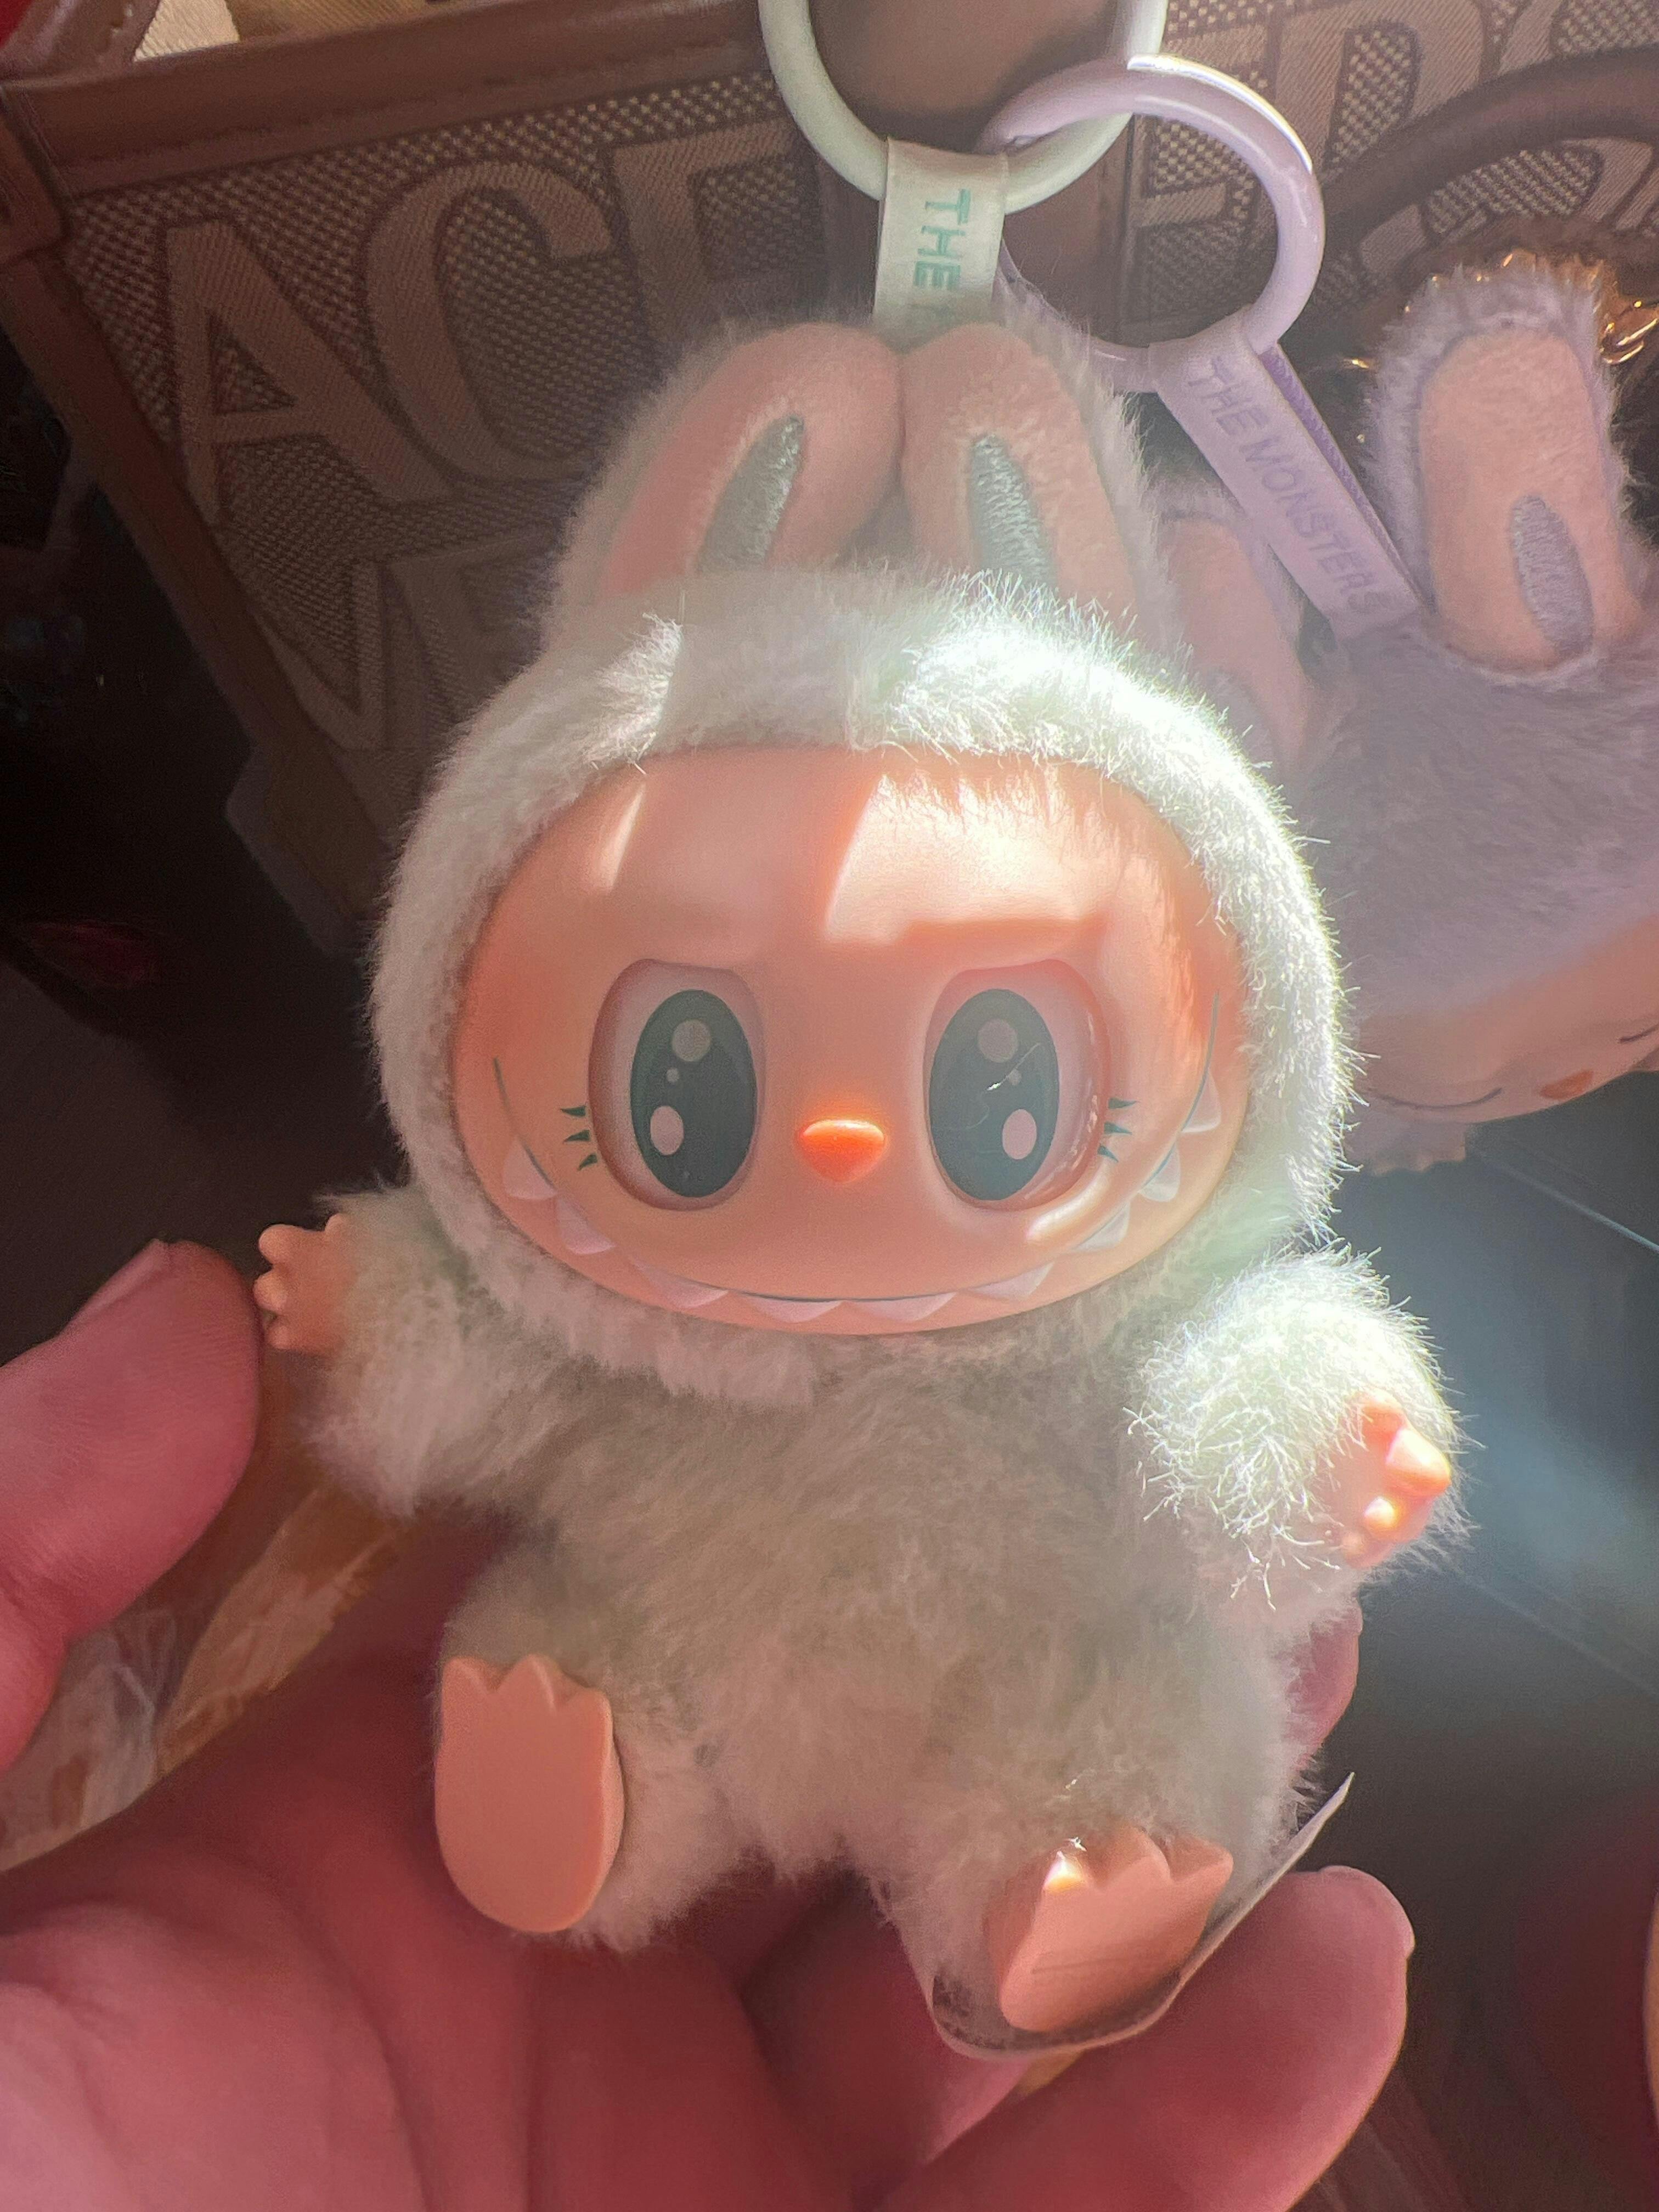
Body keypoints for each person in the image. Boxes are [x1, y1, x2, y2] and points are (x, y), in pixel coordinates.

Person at [0, 1239, 1412, 2208]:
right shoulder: (617, 1284)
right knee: (566, 1654)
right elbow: (498, 1329)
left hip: (1023, 1661)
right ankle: (575, 1799)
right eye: (698, 1080)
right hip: (687, 1628)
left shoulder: (1144, 1291)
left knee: (1141, 1705)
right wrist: (386, 1308)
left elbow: (1241, 1375)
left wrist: (1316, 1443)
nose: (845, 1145)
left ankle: (1063, 1889)